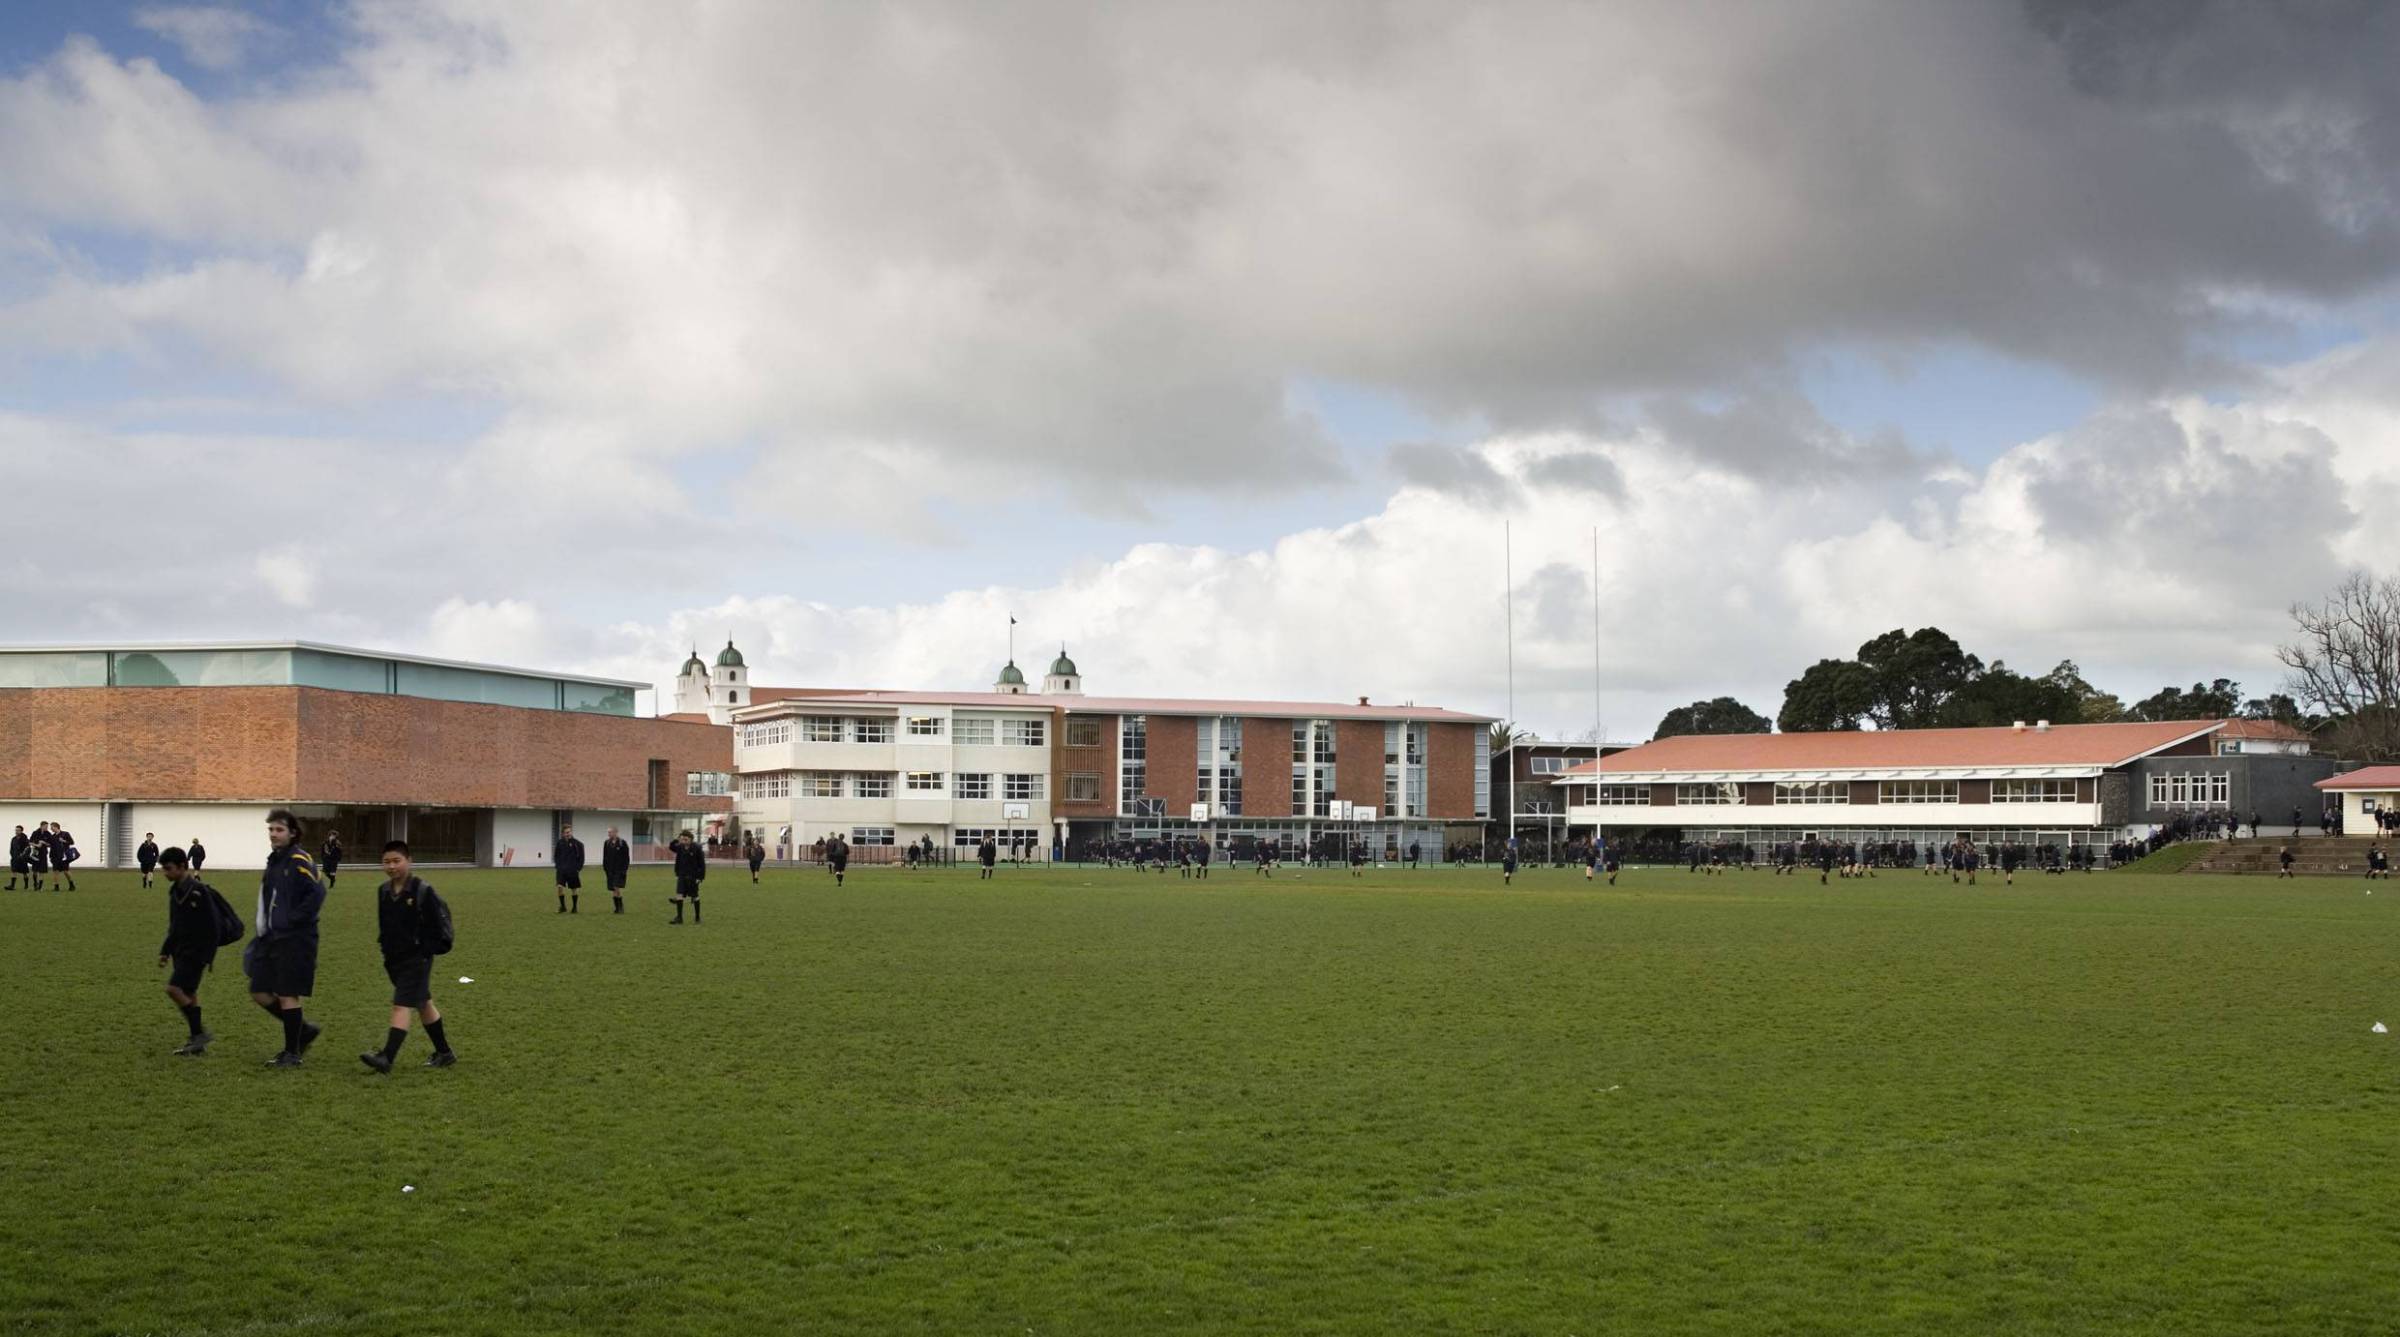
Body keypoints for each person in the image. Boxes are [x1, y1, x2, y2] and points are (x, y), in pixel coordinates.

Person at [360, 840, 457, 1072]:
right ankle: (445, 1053)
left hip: (417, 959)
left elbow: (436, 926)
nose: (392, 866)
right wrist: (386, 950)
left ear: (409, 861)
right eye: (386, 862)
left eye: (396, 861)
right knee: (423, 1004)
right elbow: (385, 926)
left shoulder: (423, 890)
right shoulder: (383, 891)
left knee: (400, 1006)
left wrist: (424, 951)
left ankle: (387, 1057)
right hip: (395, 959)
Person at [247, 810, 326, 1068]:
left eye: (279, 830)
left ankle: (292, 1053)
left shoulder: (299, 859)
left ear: (293, 833)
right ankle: (303, 1031)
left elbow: (317, 892)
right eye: (271, 830)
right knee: (259, 990)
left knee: (287, 994)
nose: (273, 834)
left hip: (295, 938)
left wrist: (293, 920)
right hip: (271, 938)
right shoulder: (275, 860)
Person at [156, 846, 224, 1056]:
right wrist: (166, 951)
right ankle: (197, 1043)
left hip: (196, 952)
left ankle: (200, 1033)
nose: (165, 873)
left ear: (183, 866)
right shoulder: (175, 890)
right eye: (164, 869)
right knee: (189, 993)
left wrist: (208, 955)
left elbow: (214, 926)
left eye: (168, 869)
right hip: (181, 950)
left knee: (173, 990)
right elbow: (175, 925)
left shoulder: (198, 891)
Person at [669, 830, 706, 924]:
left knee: (695, 896)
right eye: (682, 839)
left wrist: (700, 877)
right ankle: (679, 918)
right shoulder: (680, 847)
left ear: (691, 839)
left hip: (693, 876)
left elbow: (702, 864)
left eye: (686, 839)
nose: (684, 841)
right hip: (681, 875)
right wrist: (677, 839)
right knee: (679, 894)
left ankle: (697, 917)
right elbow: (671, 847)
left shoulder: (697, 848)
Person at [554, 823, 586, 914]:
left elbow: (582, 857)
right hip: (561, 870)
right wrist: (558, 866)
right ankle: (563, 906)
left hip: (572, 870)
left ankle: (574, 907)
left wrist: (578, 868)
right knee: (559, 887)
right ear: (563, 834)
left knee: (574, 889)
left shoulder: (577, 844)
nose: (568, 834)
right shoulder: (559, 843)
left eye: (569, 832)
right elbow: (556, 855)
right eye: (566, 832)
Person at [601, 825, 631, 913]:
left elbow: (626, 857)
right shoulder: (606, 843)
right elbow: (605, 856)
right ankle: (617, 908)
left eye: (610, 832)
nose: (608, 834)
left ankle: (621, 907)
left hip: (619, 869)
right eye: (608, 832)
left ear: (615, 832)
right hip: (610, 870)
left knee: (616, 887)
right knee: (613, 889)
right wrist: (605, 868)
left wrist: (624, 869)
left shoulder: (622, 843)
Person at [48, 821, 78, 891]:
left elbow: (72, 842)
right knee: (55, 871)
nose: (51, 829)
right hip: (55, 856)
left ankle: (71, 885)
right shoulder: (52, 836)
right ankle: (56, 887)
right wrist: (51, 856)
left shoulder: (65, 834)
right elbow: (51, 846)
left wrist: (64, 841)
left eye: (52, 827)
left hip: (64, 856)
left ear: (56, 827)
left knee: (66, 871)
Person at [6, 824, 27, 890]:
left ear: (21, 831)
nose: (17, 831)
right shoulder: (13, 839)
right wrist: (12, 855)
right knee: (13, 871)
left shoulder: (25, 839)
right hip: (14, 858)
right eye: (16, 830)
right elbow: (11, 848)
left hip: (22, 858)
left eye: (18, 830)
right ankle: (12, 886)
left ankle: (26, 885)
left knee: (24, 872)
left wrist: (23, 855)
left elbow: (27, 848)